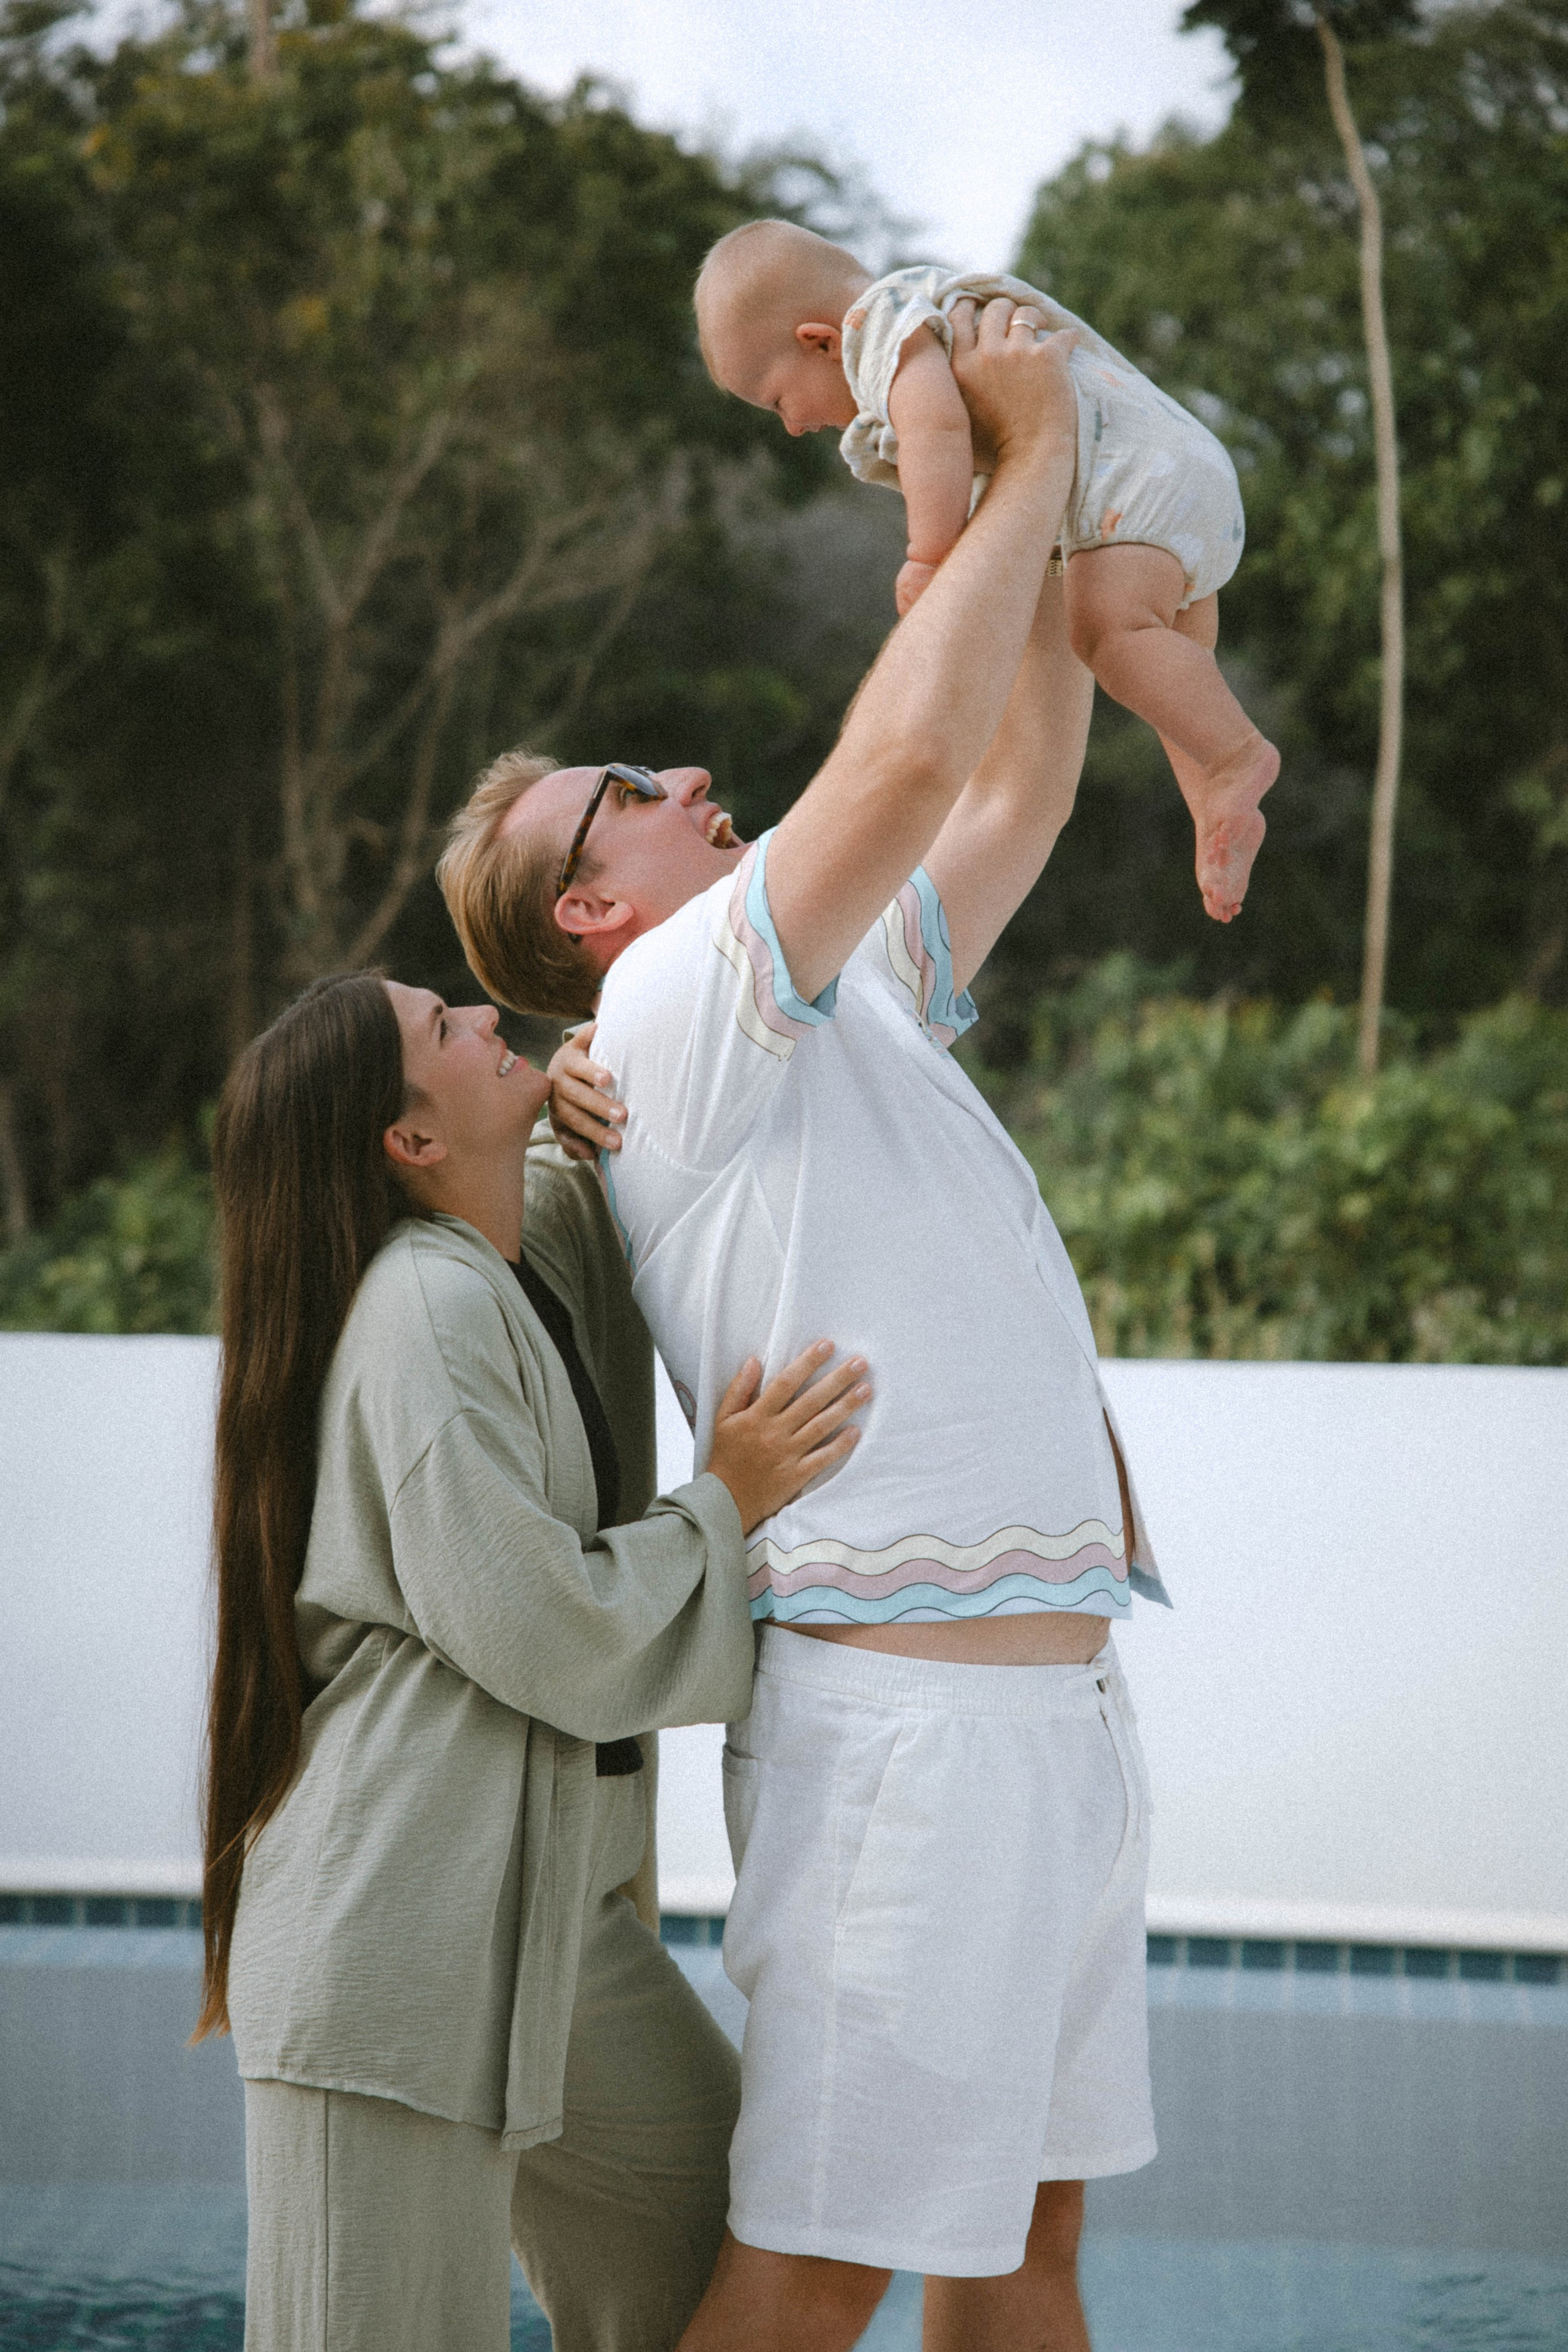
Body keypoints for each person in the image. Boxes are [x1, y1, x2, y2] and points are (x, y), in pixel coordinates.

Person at [439, 298, 1170, 2352]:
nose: (687, 773)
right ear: (594, 914)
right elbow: (913, 748)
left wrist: (1019, 521)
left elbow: (1013, 771)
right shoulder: (675, 1009)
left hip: (1054, 1721)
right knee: (825, 2259)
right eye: (627, 794)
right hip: (907, 1747)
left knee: (1026, 2251)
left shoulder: (839, 992)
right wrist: (1021, 459)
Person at [195, 968, 869, 2352]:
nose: (485, 1017)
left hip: (552, 1932)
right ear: (410, 1141)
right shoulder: (420, 1311)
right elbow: (543, 1624)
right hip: (393, 1938)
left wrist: (576, 1092)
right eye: (444, 1028)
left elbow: (589, 1172)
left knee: (724, 2251)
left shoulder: (513, 1258)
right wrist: (723, 1499)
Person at [696, 216, 1277, 924]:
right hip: (1177, 479)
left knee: (1105, 634)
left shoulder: (884, 330)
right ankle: (1216, 812)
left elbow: (935, 427)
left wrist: (928, 554)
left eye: (778, 401)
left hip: (1137, 481)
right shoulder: (924, 315)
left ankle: (1236, 756)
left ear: (817, 341)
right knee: (1175, 670)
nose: (790, 426)